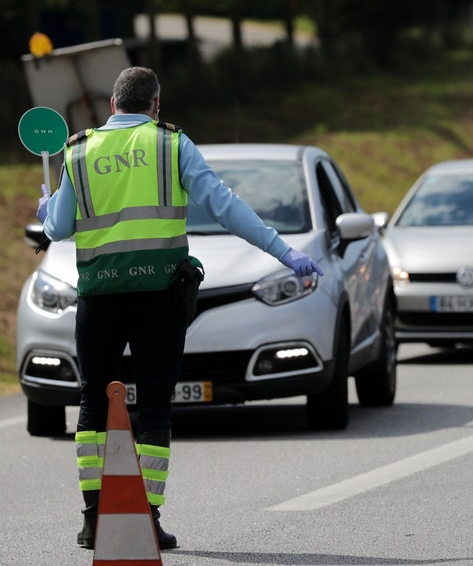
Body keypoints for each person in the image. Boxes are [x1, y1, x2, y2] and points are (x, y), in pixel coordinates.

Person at [35, 66, 323, 551]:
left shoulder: (79, 150)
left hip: (99, 297)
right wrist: (284, 252)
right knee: (152, 406)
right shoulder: (172, 145)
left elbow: (59, 230)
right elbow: (225, 206)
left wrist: (47, 211)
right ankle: (147, 517)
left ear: (112, 105)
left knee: (91, 403)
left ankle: (91, 521)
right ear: (156, 105)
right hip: (158, 297)